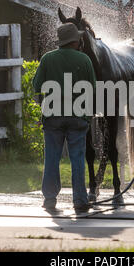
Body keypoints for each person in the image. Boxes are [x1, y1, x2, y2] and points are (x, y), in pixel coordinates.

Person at [33, 23, 97, 214]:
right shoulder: (84, 60)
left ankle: (50, 199)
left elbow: (37, 86)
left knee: (52, 157)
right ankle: (80, 200)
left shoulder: (47, 58)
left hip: (53, 116)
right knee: (77, 158)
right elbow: (92, 88)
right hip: (78, 116)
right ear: (75, 41)